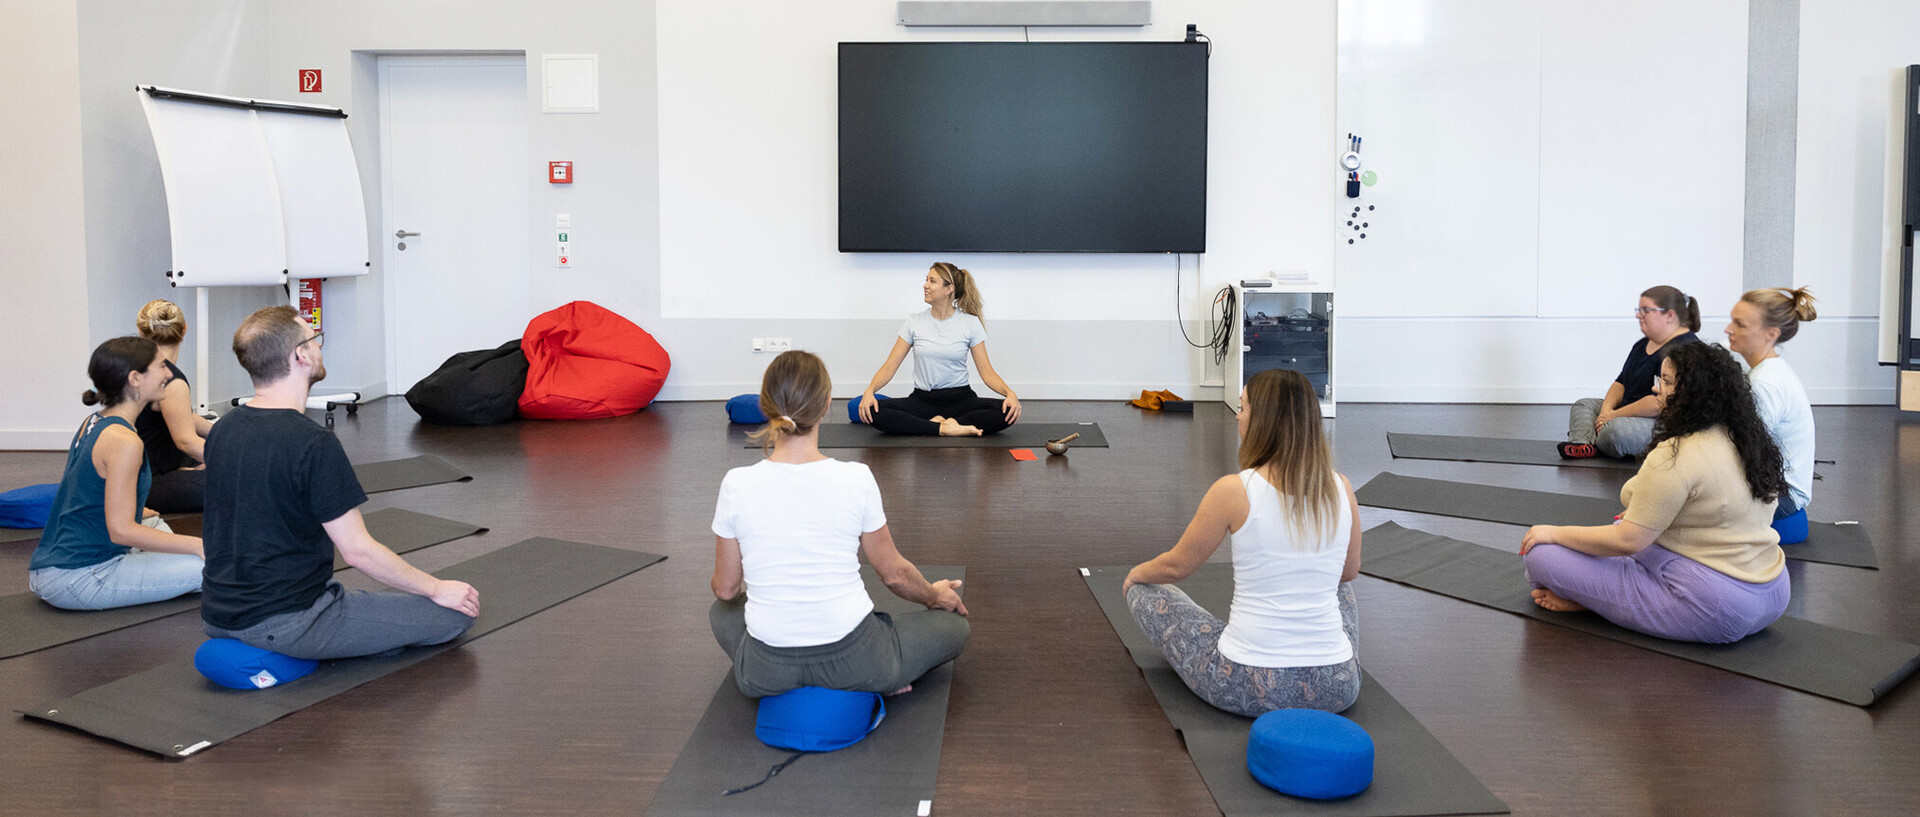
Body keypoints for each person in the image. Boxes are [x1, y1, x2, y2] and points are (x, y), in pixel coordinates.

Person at [200, 307, 477, 659]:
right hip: (290, 622)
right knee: (454, 616)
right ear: (300, 354)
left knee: (361, 601)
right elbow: (357, 551)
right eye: (315, 340)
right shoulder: (312, 442)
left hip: (217, 616)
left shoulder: (223, 428)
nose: (319, 348)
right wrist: (437, 588)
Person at [711, 350, 970, 697]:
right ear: (826, 405)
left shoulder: (735, 484)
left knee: (721, 612)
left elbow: (726, 589)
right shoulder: (855, 478)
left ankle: (785, 672)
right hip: (858, 661)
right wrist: (934, 596)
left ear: (765, 404)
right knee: (953, 628)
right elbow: (893, 574)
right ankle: (882, 676)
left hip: (765, 674)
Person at [1122, 368, 1363, 717]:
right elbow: (1350, 571)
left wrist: (1135, 574)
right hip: (1335, 686)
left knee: (1144, 590)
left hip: (1247, 684)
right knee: (1339, 586)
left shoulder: (1234, 490)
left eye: (1244, 408)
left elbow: (1177, 567)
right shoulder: (1341, 488)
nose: (1238, 416)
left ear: (1265, 422)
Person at [1523, 342, 1790, 644]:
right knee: (1625, 529)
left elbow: (1628, 541)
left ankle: (1592, 602)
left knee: (1541, 556)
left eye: (1666, 381)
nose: (1657, 390)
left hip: (1719, 608)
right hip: (1774, 592)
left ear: (1692, 393)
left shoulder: (1676, 455)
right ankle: (1599, 598)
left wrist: (1552, 533)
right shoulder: (1749, 441)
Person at [28, 337, 204, 610]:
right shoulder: (124, 441)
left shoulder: (96, 421)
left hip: (51, 565)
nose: (169, 374)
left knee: (156, 526)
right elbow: (121, 531)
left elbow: (85, 489)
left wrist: (136, 511)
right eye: (161, 367)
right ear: (135, 379)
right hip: (79, 578)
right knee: (215, 567)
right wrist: (196, 545)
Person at [857, 262, 1021, 436]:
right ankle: (946, 428)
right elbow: (890, 366)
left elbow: (987, 372)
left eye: (932, 281)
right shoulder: (914, 322)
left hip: (962, 399)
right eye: (926, 280)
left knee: (1005, 411)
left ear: (948, 289)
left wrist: (1009, 393)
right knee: (874, 412)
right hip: (923, 400)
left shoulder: (970, 323)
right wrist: (870, 390)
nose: (925, 285)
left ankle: (934, 425)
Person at [1561, 285, 1702, 459]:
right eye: (1639, 310)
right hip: (1626, 413)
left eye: (1646, 311)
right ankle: (1583, 446)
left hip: (1659, 421)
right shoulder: (1642, 345)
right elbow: (1621, 382)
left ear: (1670, 315)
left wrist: (1613, 416)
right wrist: (1605, 411)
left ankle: (1593, 439)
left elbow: (1659, 403)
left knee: (1615, 432)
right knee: (1584, 405)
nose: (1639, 315)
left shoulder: (1682, 348)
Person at [1726, 287, 1817, 521]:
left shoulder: (1765, 383)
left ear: (1771, 334)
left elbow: (1739, 453)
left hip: (1782, 497)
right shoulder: (1766, 371)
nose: (1728, 329)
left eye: (1740, 324)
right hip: (1773, 486)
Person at [133, 299, 212, 513]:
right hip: (145, 483)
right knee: (242, 478)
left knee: (212, 455)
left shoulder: (138, 367)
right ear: (184, 330)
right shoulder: (172, 380)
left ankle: (186, 471)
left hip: (138, 471)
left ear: (141, 331)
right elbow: (186, 442)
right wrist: (237, 459)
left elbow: (180, 416)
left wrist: (220, 431)